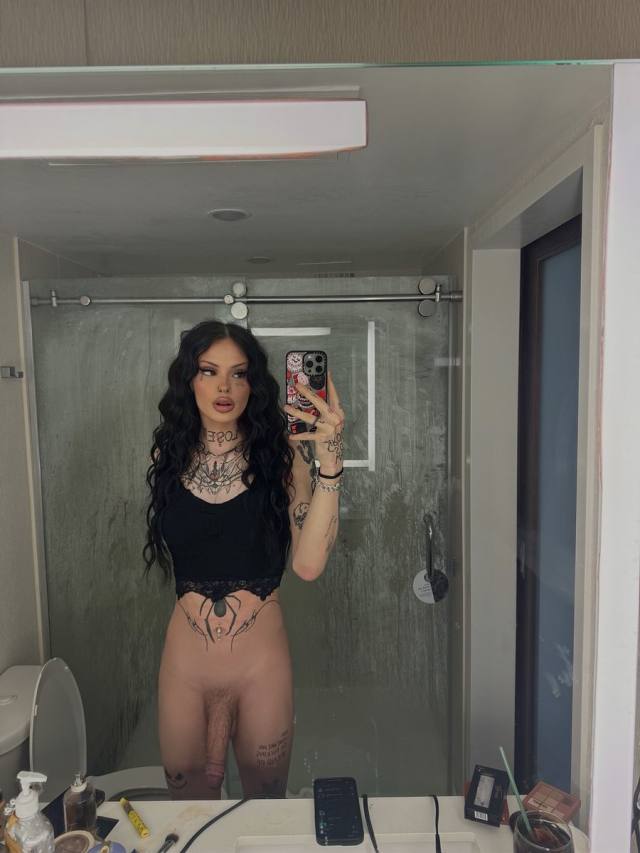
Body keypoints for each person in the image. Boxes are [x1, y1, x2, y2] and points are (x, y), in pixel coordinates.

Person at [143, 320, 345, 799]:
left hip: (261, 668)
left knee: (265, 808)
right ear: (188, 379)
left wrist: (330, 460)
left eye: (239, 373)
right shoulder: (167, 456)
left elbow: (309, 565)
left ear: (253, 383)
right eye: (209, 371)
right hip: (185, 666)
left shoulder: (282, 460)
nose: (224, 387)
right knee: (188, 811)